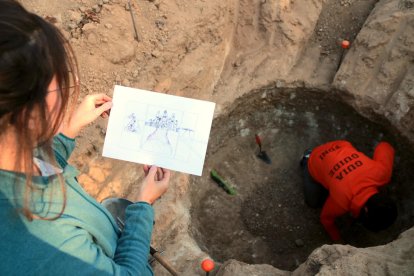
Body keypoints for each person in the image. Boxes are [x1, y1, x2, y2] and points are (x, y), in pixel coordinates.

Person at [0, 1, 170, 275]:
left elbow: (31, 160)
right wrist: (143, 206)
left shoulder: (12, 156)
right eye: (58, 85)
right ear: (27, 113)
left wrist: (68, 130)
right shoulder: (52, 243)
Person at [301, 140, 397, 242]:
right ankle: (307, 157)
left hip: (341, 145)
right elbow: (325, 219)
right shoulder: (341, 202)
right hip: (317, 158)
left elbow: (384, 145)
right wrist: (338, 241)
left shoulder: (382, 174)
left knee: (333, 185)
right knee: (313, 202)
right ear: (365, 210)